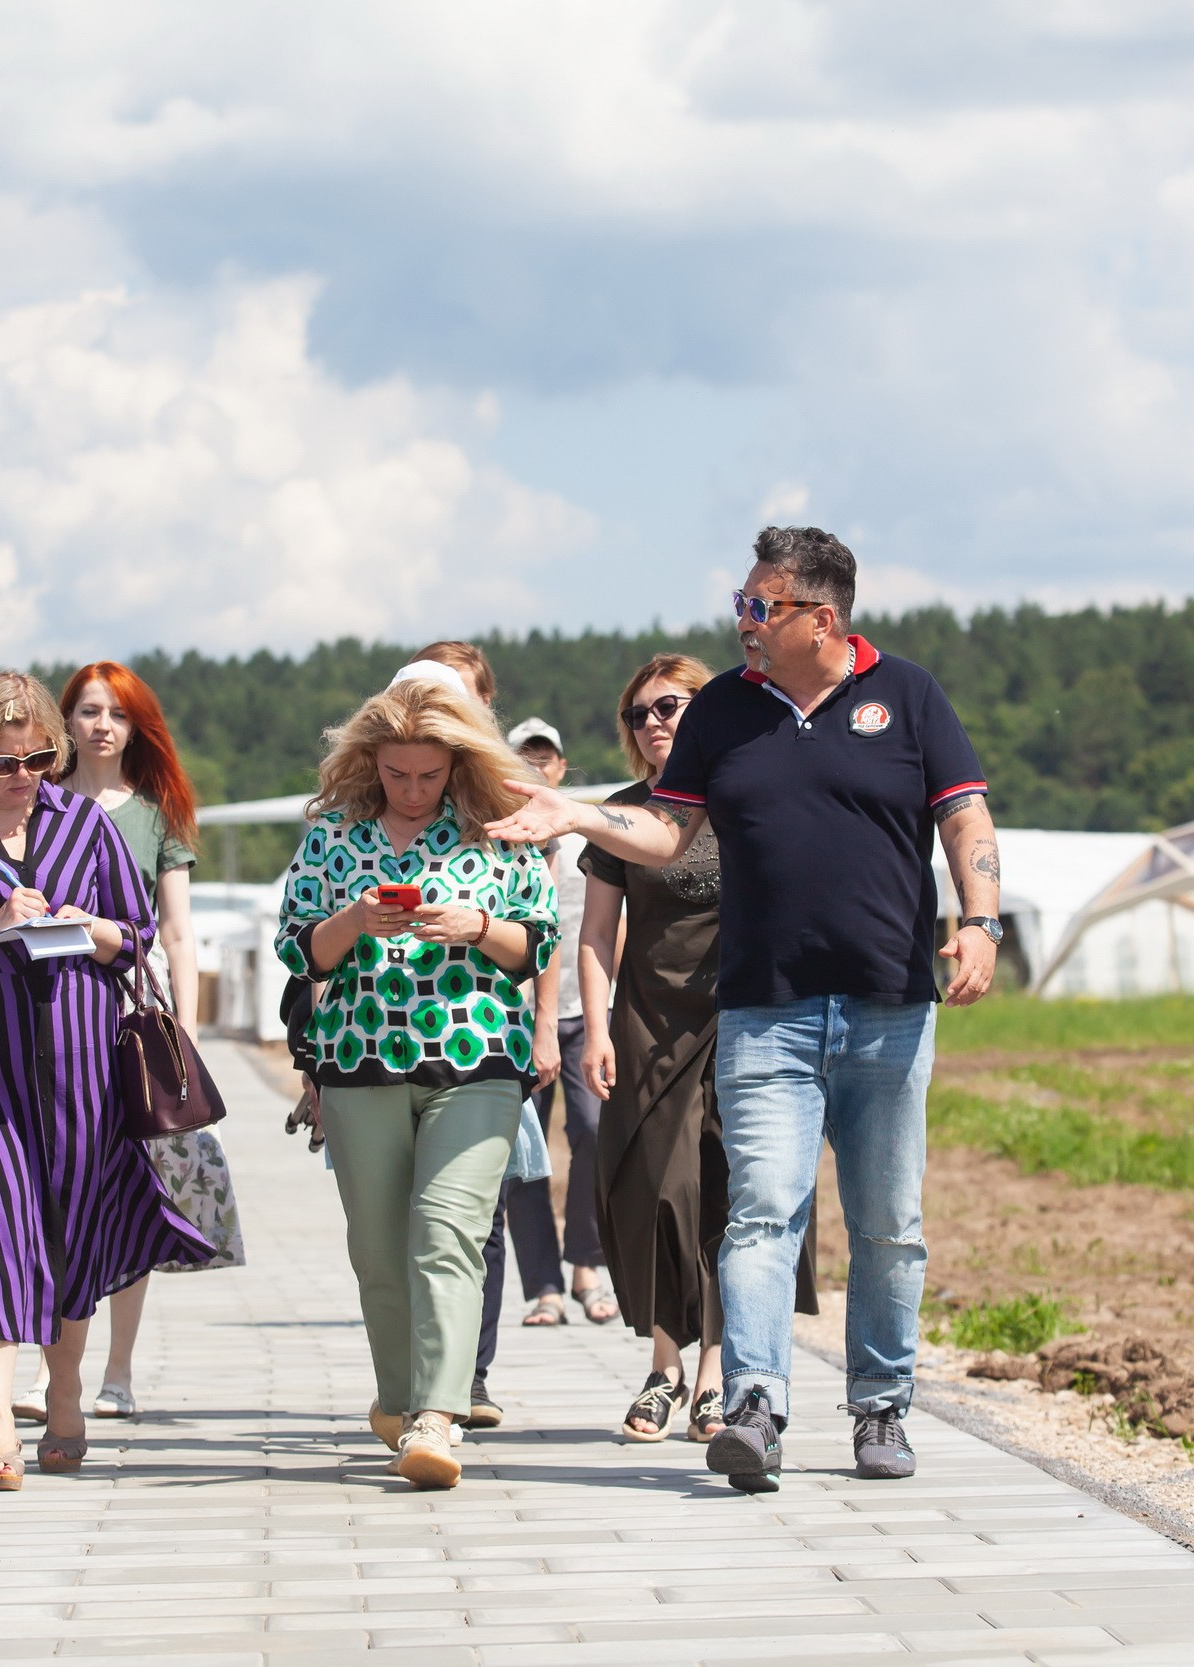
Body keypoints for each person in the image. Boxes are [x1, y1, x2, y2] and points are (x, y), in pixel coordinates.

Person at [489, 525, 1001, 1494]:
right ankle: (754, 1403)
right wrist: (579, 816)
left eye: (762, 606)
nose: (744, 621)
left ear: (825, 615)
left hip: (889, 1005)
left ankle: (880, 1404)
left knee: (890, 1221)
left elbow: (964, 814)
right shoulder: (723, 708)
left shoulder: (909, 695)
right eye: (741, 601)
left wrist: (980, 920)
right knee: (762, 1209)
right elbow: (666, 827)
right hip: (762, 1009)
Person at [0, 671, 212, 1490]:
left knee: (76, 1228)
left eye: (39, 758)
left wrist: (90, 928)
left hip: (83, 1060)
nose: (22, 776)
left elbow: (140, 935)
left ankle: (69, 1386)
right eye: (4, 762)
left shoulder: (84, 824)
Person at [274, 677, 558, 1489]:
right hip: (360, 1060)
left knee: (448, 1233)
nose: (412, 788)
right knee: (377, 1248)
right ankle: (400, 1402)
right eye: (397, 773)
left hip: (478, 1062)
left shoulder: (502, 834)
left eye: (428, 774)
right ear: (370, 764)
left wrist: (476, 926)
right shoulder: (334, 835)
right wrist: (355, 920)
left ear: (459, 764)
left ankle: (439, 1414)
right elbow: (298, 952)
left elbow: (538, 944)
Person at [577, 653, 816, 1442]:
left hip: (744, 1017)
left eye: (670, 706)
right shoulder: (619, 813)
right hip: (647, 1021)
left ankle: (714, 1374)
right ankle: (662, 1362)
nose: (653, 723)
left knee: (730, 1190)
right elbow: (596, 935)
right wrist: (595, 1023)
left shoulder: (744, 799)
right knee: (655, 1191)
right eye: (638, 712)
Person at [1, 661, 211, 1425]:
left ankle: (115, 1369)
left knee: (116, 1194)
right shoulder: (27, 801)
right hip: (29, 1017)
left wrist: (182, 1031)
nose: (100, 726)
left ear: (135, 726)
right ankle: (48, 1366)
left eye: (116, 714)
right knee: (37, 1195)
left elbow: (177, 933)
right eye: (87, 710)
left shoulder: (155, 815)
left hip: (119, 1019)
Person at [504, 717, 612, 1330]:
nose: (536, 767)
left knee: (595, 1133)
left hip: (582, 1012)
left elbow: (611, 926)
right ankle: (544, 1285)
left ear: (562, 769)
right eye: (525, 758)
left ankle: (586, 1265)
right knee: (526, 1153)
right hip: (515, 1021)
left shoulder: (578, 842)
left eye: (546, 759)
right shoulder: (502, 839)